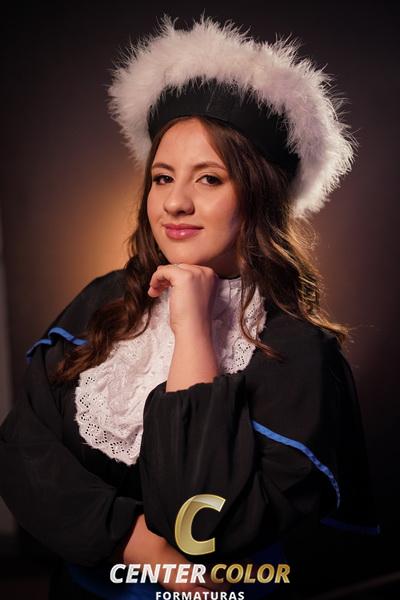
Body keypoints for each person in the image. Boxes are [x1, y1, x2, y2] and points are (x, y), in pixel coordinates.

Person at [0, 15, 380, 600]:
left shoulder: (299, 351)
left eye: (209, 179)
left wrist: (193, 328)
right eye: (162, 177)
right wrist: (136, 542)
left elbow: (199, 525)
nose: (175, 202)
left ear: (259, 195)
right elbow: (21, 451)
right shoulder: (106, 300)